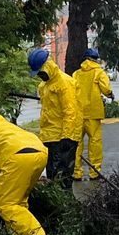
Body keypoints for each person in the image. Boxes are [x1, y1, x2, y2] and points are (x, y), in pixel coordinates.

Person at [29, 48, 81, 189]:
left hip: (64, 137)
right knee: (52, 175)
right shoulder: (43, 86)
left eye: (40, 72)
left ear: (48, 67)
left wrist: (67, 137)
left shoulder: (64, 83)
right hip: (49, 137)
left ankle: (66, 200)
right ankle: (57, 200)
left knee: (62, 177)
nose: (40, 76)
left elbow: (70, 111)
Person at [72, 48, 115, 180]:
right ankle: (94, 172)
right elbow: (106, 89)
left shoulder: (76, 74)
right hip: (93, 112)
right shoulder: (99, 72)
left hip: (78, 112)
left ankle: (77, 172)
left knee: (77, 143)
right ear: (96, 59)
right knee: (95, 142)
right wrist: (110, 95)